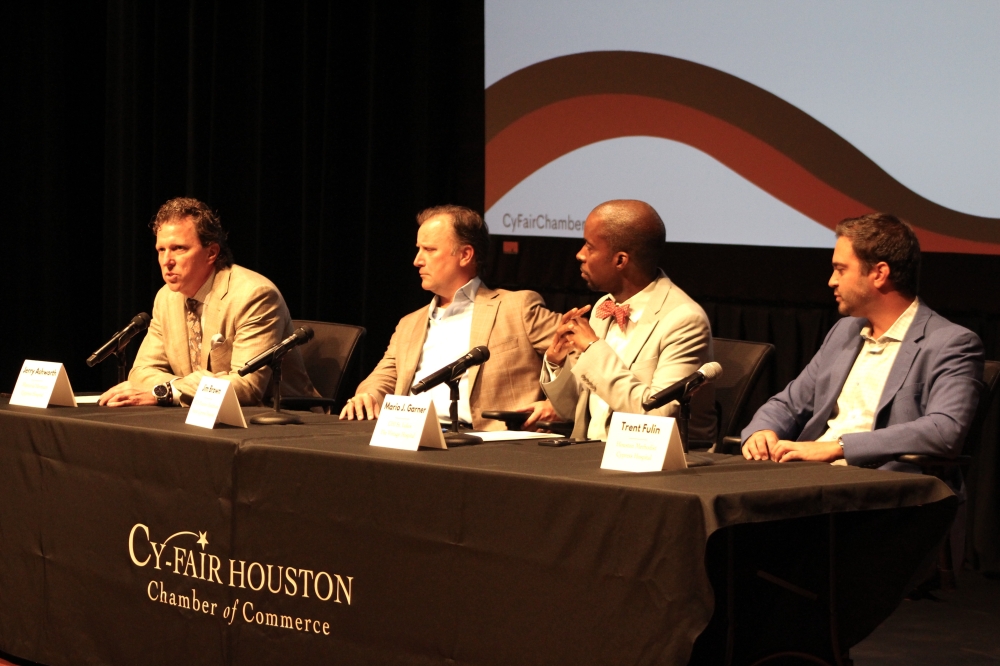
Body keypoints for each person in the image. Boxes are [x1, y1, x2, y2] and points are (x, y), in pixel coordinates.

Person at [741, 213, 984, 471]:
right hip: (813, 478)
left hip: (887, 490)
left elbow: (944, 430)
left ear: (879, 273)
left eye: (840, 269)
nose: (831, 281)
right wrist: (762, 431)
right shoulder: (844, 332)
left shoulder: (951, 343)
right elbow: (787, 404)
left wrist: (839, 446)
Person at [339, 205, 561, 431]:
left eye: (429, 249)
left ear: (465, 255)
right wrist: (367, 394)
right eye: (418, 249)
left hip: (489, 443)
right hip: (411, 435)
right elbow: (385, 376)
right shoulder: (410, 323)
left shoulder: (517, 307)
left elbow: (584, 353)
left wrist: (556, 405)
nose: (417, 260)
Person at [99, 197, 317, 407]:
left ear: (211, 252)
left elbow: (247, 386)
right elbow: (141, 372)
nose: (167, 261)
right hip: (203, 417)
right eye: (161, 250)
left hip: (282, 420)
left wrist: (167, 392)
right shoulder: (166, 297)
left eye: (179, 248)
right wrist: (176, 387)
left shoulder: (254, 295)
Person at [541, 200, 716, 443]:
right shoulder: (603, 308)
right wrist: (557, 363)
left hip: (647, 464)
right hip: (585, 454)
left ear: (620, 260)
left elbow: (657, 417)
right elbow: (574, 412)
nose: (579, 254)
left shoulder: (684, 320)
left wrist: (593, 350)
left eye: (590, 247)